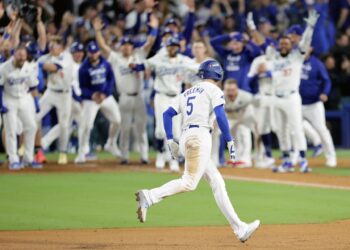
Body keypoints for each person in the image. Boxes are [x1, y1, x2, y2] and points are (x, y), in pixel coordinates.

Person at [135, 59, 260, 243]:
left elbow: (166, 114)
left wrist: (171, 139)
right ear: (218, 75)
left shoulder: (186, 92)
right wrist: (229, 139)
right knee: (189, 183)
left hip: (188, 136)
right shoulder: (214, 90)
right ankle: (150, 196)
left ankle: (239, 228)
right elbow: (220, 115)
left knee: (217, 182)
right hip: (199, 137)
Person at [93, 14, 158, 164]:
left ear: (132, 46)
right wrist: (97, 32)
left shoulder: (139, 54)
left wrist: (154, 29)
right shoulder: (116, 58)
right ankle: (124, 156)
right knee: (125, 128)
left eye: (129, 44)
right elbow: (103, 47)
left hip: (139, 96)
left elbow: (150, 42)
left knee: (141, 128)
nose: (127, 46)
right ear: (121, 46)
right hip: (124, 97)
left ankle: (144, 156)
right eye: (124, 44)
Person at [259, 10, 319, 173]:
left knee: (297, 128)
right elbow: (263, 46)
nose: (284, 45)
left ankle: (303, 160)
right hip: (276, 98)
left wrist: (310, 28)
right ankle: (286, 160)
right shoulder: (275, 58)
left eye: (287, 43)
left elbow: (305, 42)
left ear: (291, 45)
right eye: (282, 43)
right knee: (281, 130)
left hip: (292, 97)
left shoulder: (296, 56)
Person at [133, 36, 198, 171]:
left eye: (174, 45)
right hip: (161, 96)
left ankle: (172, 158)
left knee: (176, 131)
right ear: (166, 47)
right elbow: (144, 65)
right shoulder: (159, 58)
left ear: (178, 47)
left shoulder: (183, 60)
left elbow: (198, 67)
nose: (172, 48)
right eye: (170, 46)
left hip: (177, 97)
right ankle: (161, 154)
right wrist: (134, 65)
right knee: (161, 131)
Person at [75, 41, 121, 164]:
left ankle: (111, 143)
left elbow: (111, 79)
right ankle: (81, 152)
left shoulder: (105, 64)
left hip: (105, 96)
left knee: (117, 120)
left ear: (99, 52)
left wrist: (105, 93)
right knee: (86, 126)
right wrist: (92, 95)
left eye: (95, 52)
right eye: (91, 53)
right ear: (88, 53)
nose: (94, 55)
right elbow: (82, 87)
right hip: (91, 99)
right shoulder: (83, 68)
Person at [0, 46, 41, 170]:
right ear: (14, 55)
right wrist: (1, 104)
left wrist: (36, 102)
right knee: (11, 129)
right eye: (19, 56)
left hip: (24, 98)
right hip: (9, 98)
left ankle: (28, 158)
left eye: (23, 56)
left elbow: (33, 86)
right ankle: (13, 159)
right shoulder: (4, 68)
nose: (22, 58)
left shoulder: (29, 67)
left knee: (32, 126)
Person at [41, 42, 85, 152]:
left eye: (80, 52)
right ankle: (84, 150)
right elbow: (72, 85)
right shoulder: (68, 59)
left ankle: (44, 142)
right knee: (75, 123)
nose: (78, 54)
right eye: (76, 52)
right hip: (71, 98)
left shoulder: (81, 64)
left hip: (70, 96)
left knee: (68, 124)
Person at [37, 36, 74, 165]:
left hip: (65, 94)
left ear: (61, 47)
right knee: (34, 116)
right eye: (51, 46)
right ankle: (32, 147)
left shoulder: (67, 57)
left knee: (64, 125)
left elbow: (54, 67)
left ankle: (62, 152)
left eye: (55, 46)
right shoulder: (47, 57)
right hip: (50, 92)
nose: (52, 48)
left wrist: (38, 63)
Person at [300, 52, 337, 167]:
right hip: (296, 102)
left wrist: (325, 93)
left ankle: (331, 157)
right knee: (294, 128)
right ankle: (297, 154)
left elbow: (326, 80)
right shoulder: (294, 60)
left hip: (314, 103)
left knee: (322, 129)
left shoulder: (316, 63)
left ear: (310, 49)